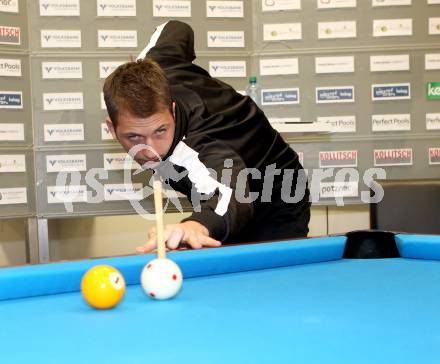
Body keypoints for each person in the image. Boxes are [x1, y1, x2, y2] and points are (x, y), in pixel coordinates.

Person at [103, 21, 310, 253]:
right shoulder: (154, 65)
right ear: (111, 128)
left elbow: (229, 194)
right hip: (221, 193)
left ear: (172, 110)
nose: (151, 149)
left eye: (160, 131)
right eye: (134, 137)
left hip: (276, 195)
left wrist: (198, 225)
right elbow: (175, 28)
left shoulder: (197, 146)